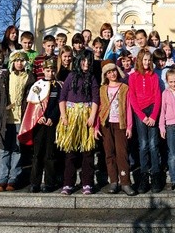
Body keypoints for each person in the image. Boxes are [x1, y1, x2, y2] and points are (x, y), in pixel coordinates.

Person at [0, 50, 35, 192]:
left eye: (22, 61)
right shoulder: (5, 77)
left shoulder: (30, 77)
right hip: (5, 119)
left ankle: (13, 178)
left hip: (20, 119)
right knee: (4, 149)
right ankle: (2, 179)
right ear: (12, 62)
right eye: (16, 61)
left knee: (17, 150)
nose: (19, 63)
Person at [56, 54, 99, 195]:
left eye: (88, 61)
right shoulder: (71, 76)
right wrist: (63, 116)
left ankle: (87, 183)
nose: (86, 63)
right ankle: (68, 183)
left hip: (86, 117)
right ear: (79, 62)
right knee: (70, 152)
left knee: (88, 152)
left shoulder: (91, 78)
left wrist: (92, 116)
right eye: (84, 61)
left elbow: (95, 99)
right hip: (70, 116)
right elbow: (62, 97)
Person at [18, 58, 62, 193]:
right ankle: (34, 183)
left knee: (50, 154)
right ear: (43, 71)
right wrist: (38, 117)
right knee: (37, 155)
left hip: (51, 124)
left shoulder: (59, 86)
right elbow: (32, 106)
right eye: (48, 70)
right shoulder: (37, 85)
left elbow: (60, 104)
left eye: (53, 70)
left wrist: (52, 118)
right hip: (39, 124)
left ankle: (49, 182)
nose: (50, 73)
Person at [95, 61, 136, 196]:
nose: (112, 74)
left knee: (122, 153)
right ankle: (113, 181)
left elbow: (128, 107)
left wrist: (129, 126)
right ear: (105, 75)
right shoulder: (102, 89)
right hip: (106, 124)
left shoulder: (124, 87)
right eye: (108, 72)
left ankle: (125, 182)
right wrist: (96, 127)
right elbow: (100, 108)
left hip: (121, 124)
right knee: (109, 153)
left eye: (113, 71)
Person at [129, 47, 162, 193]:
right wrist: (142, 116)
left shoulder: (154, 76)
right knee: (143, 145)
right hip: (140, 112)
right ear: (139, 61)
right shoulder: (133, 76)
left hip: (152, 110)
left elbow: (157, 96)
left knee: (153, 144)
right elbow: (132, 98)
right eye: (145, 60)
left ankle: (155, 175)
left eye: (149, 60)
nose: (147, 62)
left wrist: (154, 116)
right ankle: (143, 176)